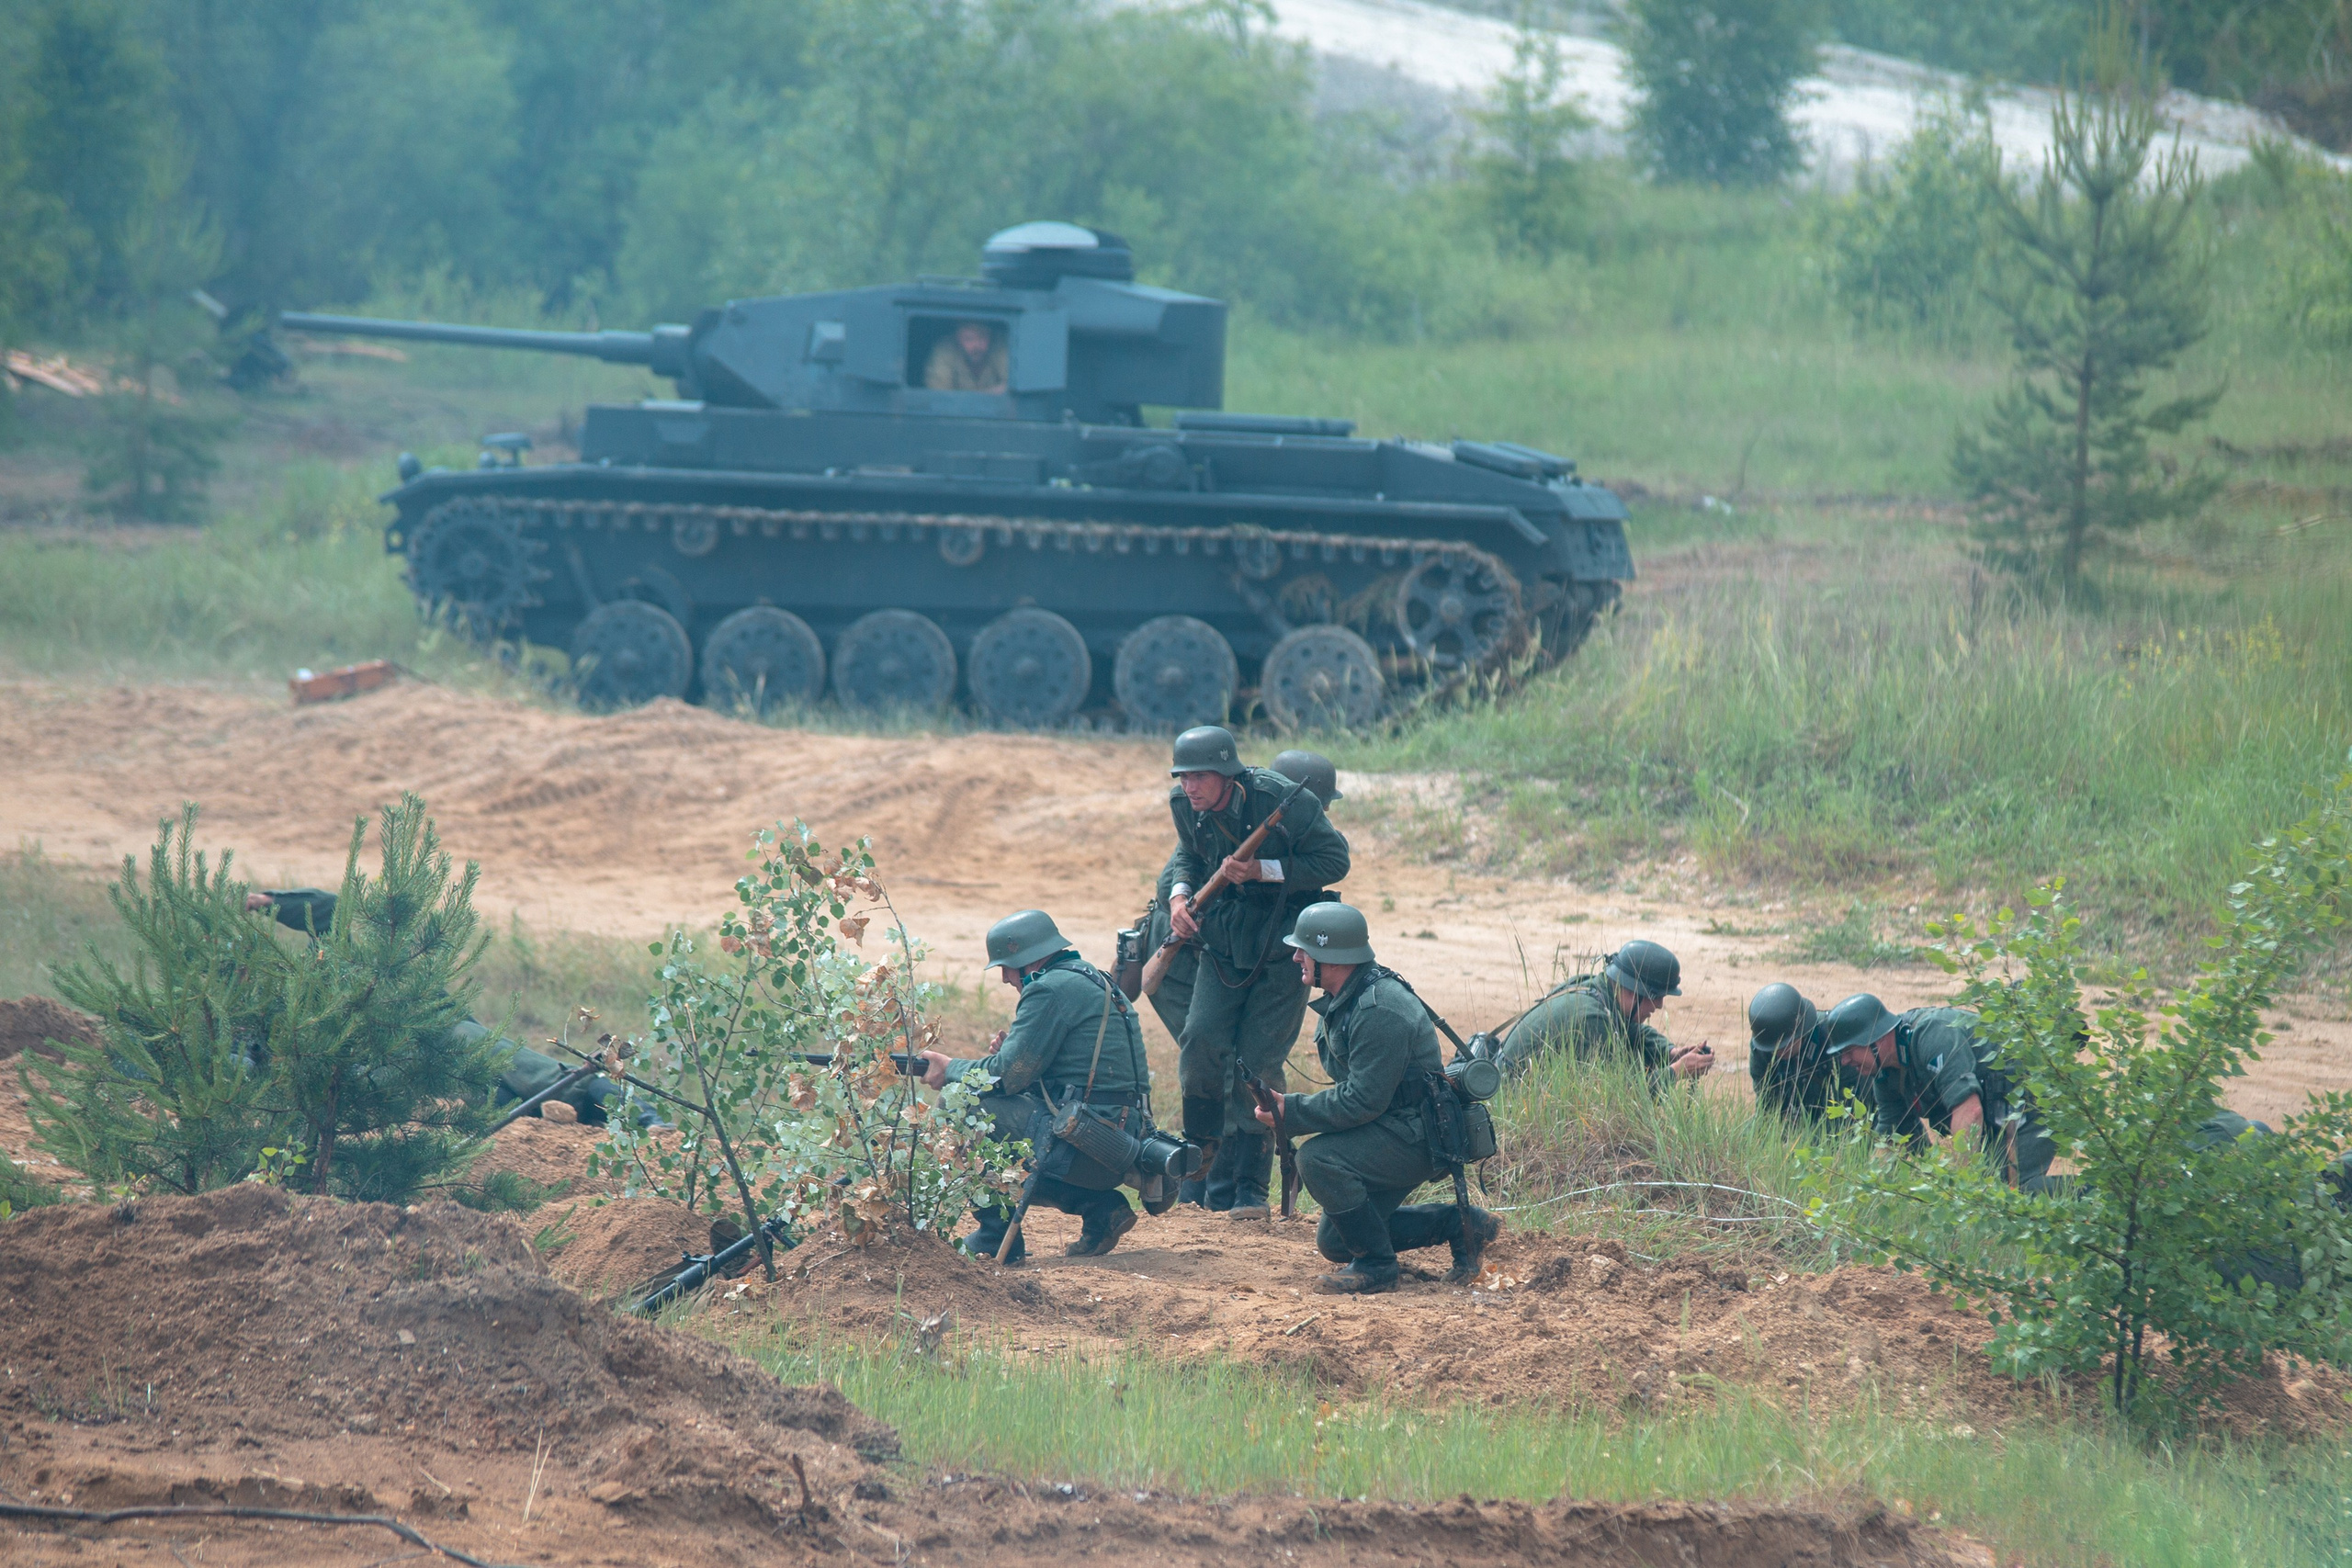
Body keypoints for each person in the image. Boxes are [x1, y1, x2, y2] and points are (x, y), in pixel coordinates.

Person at [1256, 902, 1498, 1293]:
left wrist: (1292, 1110)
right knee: (1335, 1242)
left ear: (1332, 957)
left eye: (1305, 950)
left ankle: (1377, 1267)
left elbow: (1362, 1101)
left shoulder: (1380, 1009)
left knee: (1317, 1159)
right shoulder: (1346, 997)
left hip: (1419, 1136)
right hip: (1393, 1125)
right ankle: (1462, 1224)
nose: (1297, 957)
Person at [245, 888, 644, 1126]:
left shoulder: (331, 958)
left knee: (543, 1078)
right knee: (507, 1105)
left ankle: (646, 1121)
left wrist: (266, 901)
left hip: (439, 1029)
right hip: (396, 1074)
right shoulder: (257, 1015)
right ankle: (589, 1117)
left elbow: (328, 909)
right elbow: (246, 1066)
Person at [1161, 726, 1351, 1167]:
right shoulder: (1185, 805)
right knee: (1200, 1041)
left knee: (1258, 1062)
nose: (1189, 787)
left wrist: (1261, 870)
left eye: (1199, 776)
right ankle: (1201, 1160)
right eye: (1183, 777)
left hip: (1284, 943)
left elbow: (1334, 861)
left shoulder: (1281, 799)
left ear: (1227, 775)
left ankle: (1251, 1177)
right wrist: (1178, 897)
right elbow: (1188, 854)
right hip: (1225, 940)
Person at [920, 908, 1149, 1263]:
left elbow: (1006, 1076)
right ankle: (1101, 1207)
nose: (1005, 978)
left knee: (960, 1103)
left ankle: (996, 1239)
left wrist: (950, 1069)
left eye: (1007, 966)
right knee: (997, 1124)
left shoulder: (1049, 989)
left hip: (1090, 1146)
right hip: (1116, 1144)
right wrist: (1018, 1055)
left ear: (1029, 959)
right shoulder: (1090, 977)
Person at [1821, 994, 2055, 1189]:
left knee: (2010, 1196)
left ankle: (2079, 1202)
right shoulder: (1885, 1074)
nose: (1844, 1061)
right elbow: (1890, 1137)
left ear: (1876, 1040)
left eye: (1849, 1050)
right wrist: (1868, 1189)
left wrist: (1960, 1189)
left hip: (2034, 1099)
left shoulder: (1931, 1034)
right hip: (1998, 1117)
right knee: (1990, 1192)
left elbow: (1970, 1111)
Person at [1490, 941, 1713, 1089]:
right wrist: (1676, 1072)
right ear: (1633, 991)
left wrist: (1670, 1053)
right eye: (1656, 996)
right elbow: (1626, 1099)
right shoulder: (1590, 1020)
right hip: (1511, 1100)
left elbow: (1628, 1030)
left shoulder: (1596, 989)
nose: (1659, 1005)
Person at [1747, 982, 1852, 1122]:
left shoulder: (1834, 1038)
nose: (1780, 1052)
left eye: (1786, 1044)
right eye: (1775, 1048)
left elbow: (1848, 1113)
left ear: (1802, 1029)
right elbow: (1767, 1109)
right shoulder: (1763, 1048)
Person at [923, 320, 1008, 392]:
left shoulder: (1000, 346)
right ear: (957, 338)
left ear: (990, 336)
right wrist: (991, 393)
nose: (976, 345)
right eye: (969, 338)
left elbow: (1011, 385)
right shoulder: (945, 350)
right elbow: (939, 394)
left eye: (982, 337)